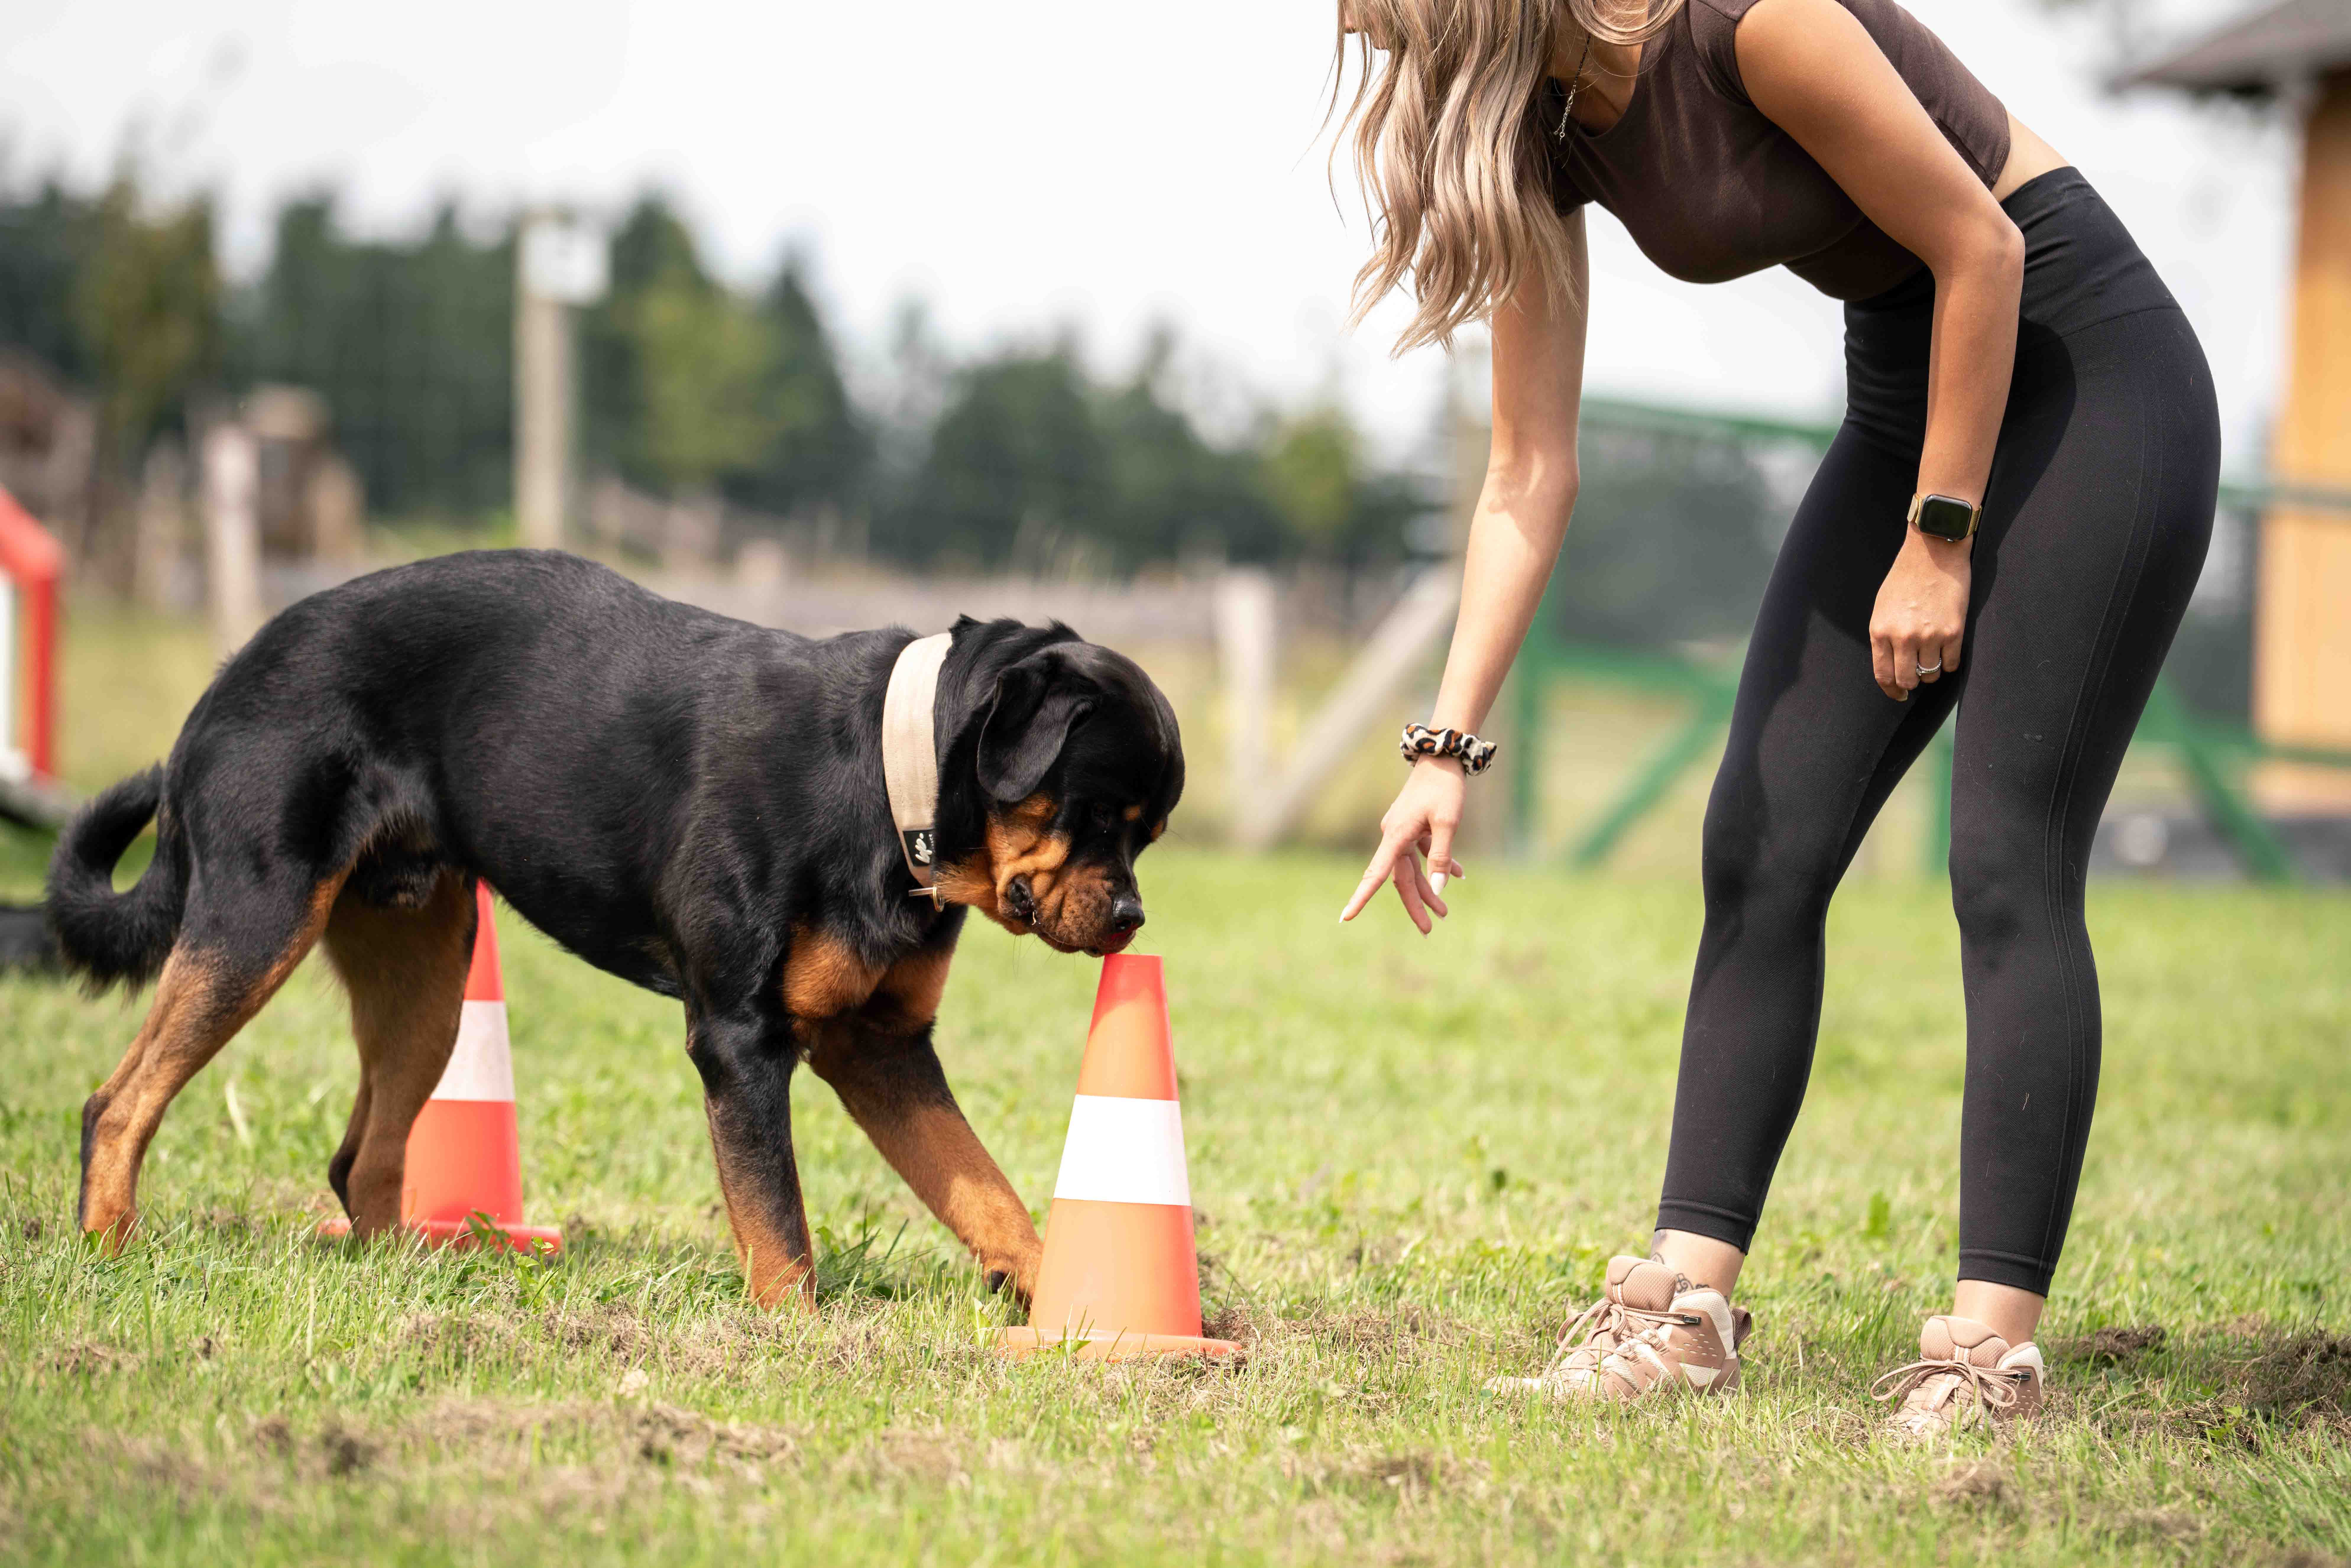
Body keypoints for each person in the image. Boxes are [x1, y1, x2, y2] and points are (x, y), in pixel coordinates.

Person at [1332, 0, 2218, 1438]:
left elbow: (1981, 248)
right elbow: (1524, 471)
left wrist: (1938, 539)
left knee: (2002, 857)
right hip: (1907, 395)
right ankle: (1684, 1307)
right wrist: (1442, 748)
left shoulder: (1752, 22)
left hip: (2079, 375)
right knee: (1754, 845)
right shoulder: (1544, 128)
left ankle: (1988, 1354)